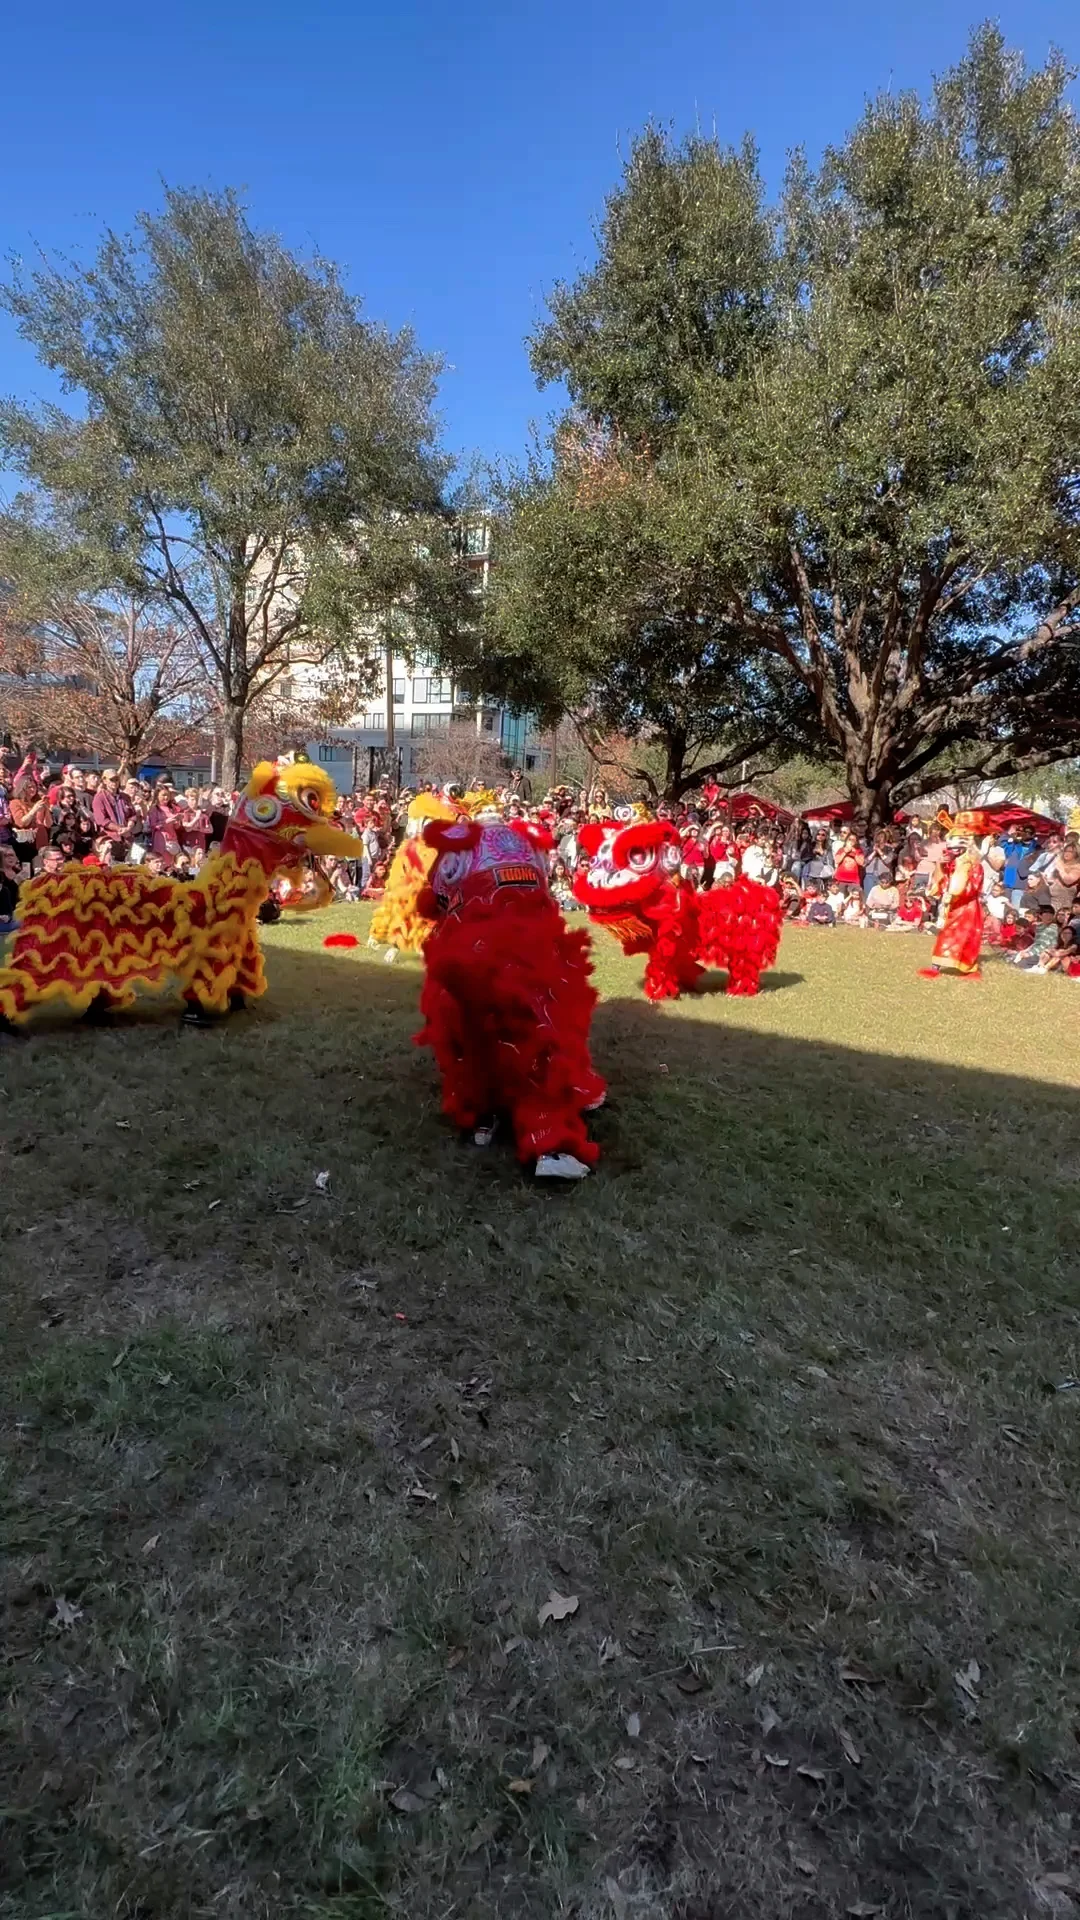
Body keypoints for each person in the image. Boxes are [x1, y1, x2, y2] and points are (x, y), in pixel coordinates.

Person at [919, 811, 988, 980]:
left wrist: (957, 886)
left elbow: (971, 889)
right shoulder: (951, 863)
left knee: (967, 938)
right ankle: (936, 966)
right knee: (946, 934)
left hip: (969, 908)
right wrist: (940, 867)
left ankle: (969, 969)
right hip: (953, 906)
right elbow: (943, 883)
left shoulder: (975, 866)